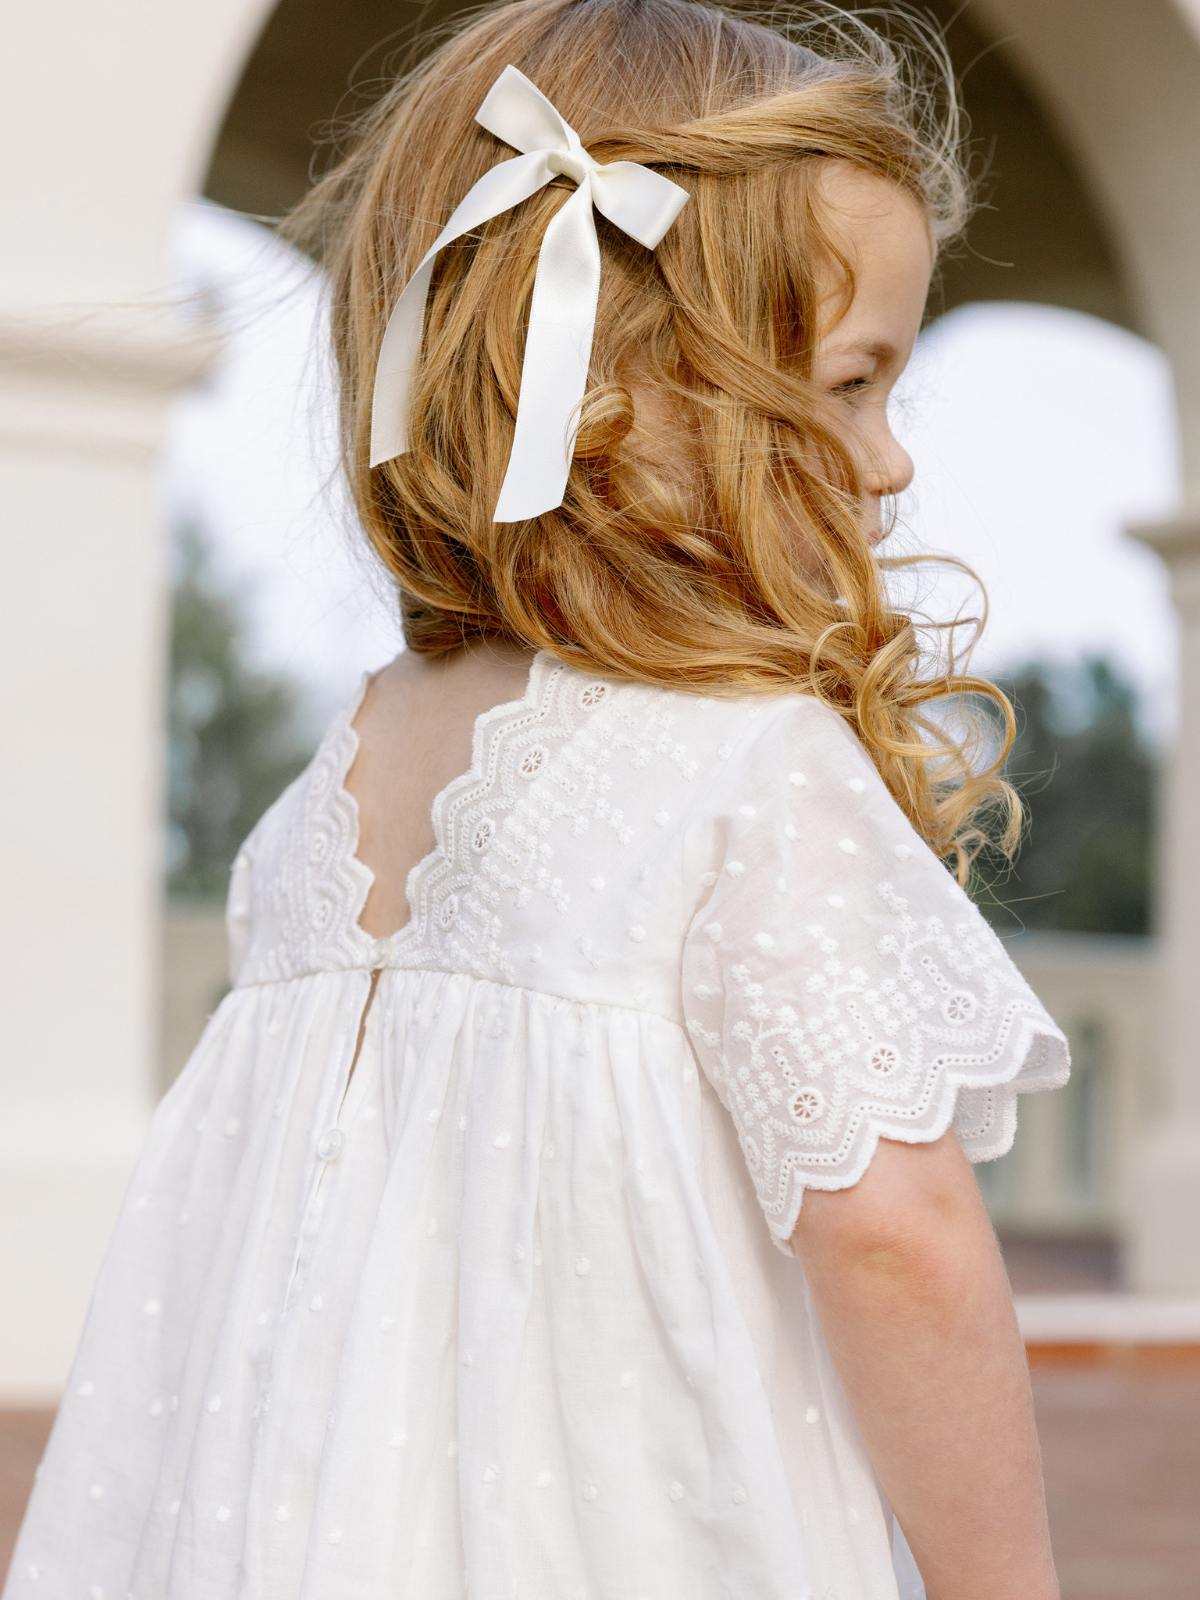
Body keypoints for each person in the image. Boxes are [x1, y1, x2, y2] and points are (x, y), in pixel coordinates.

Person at [7, 2, 1069, 1597]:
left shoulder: (329, 795)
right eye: (853, 384)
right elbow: (897, 1237)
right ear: (623, 389)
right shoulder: (751, 772)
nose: (890, 460)